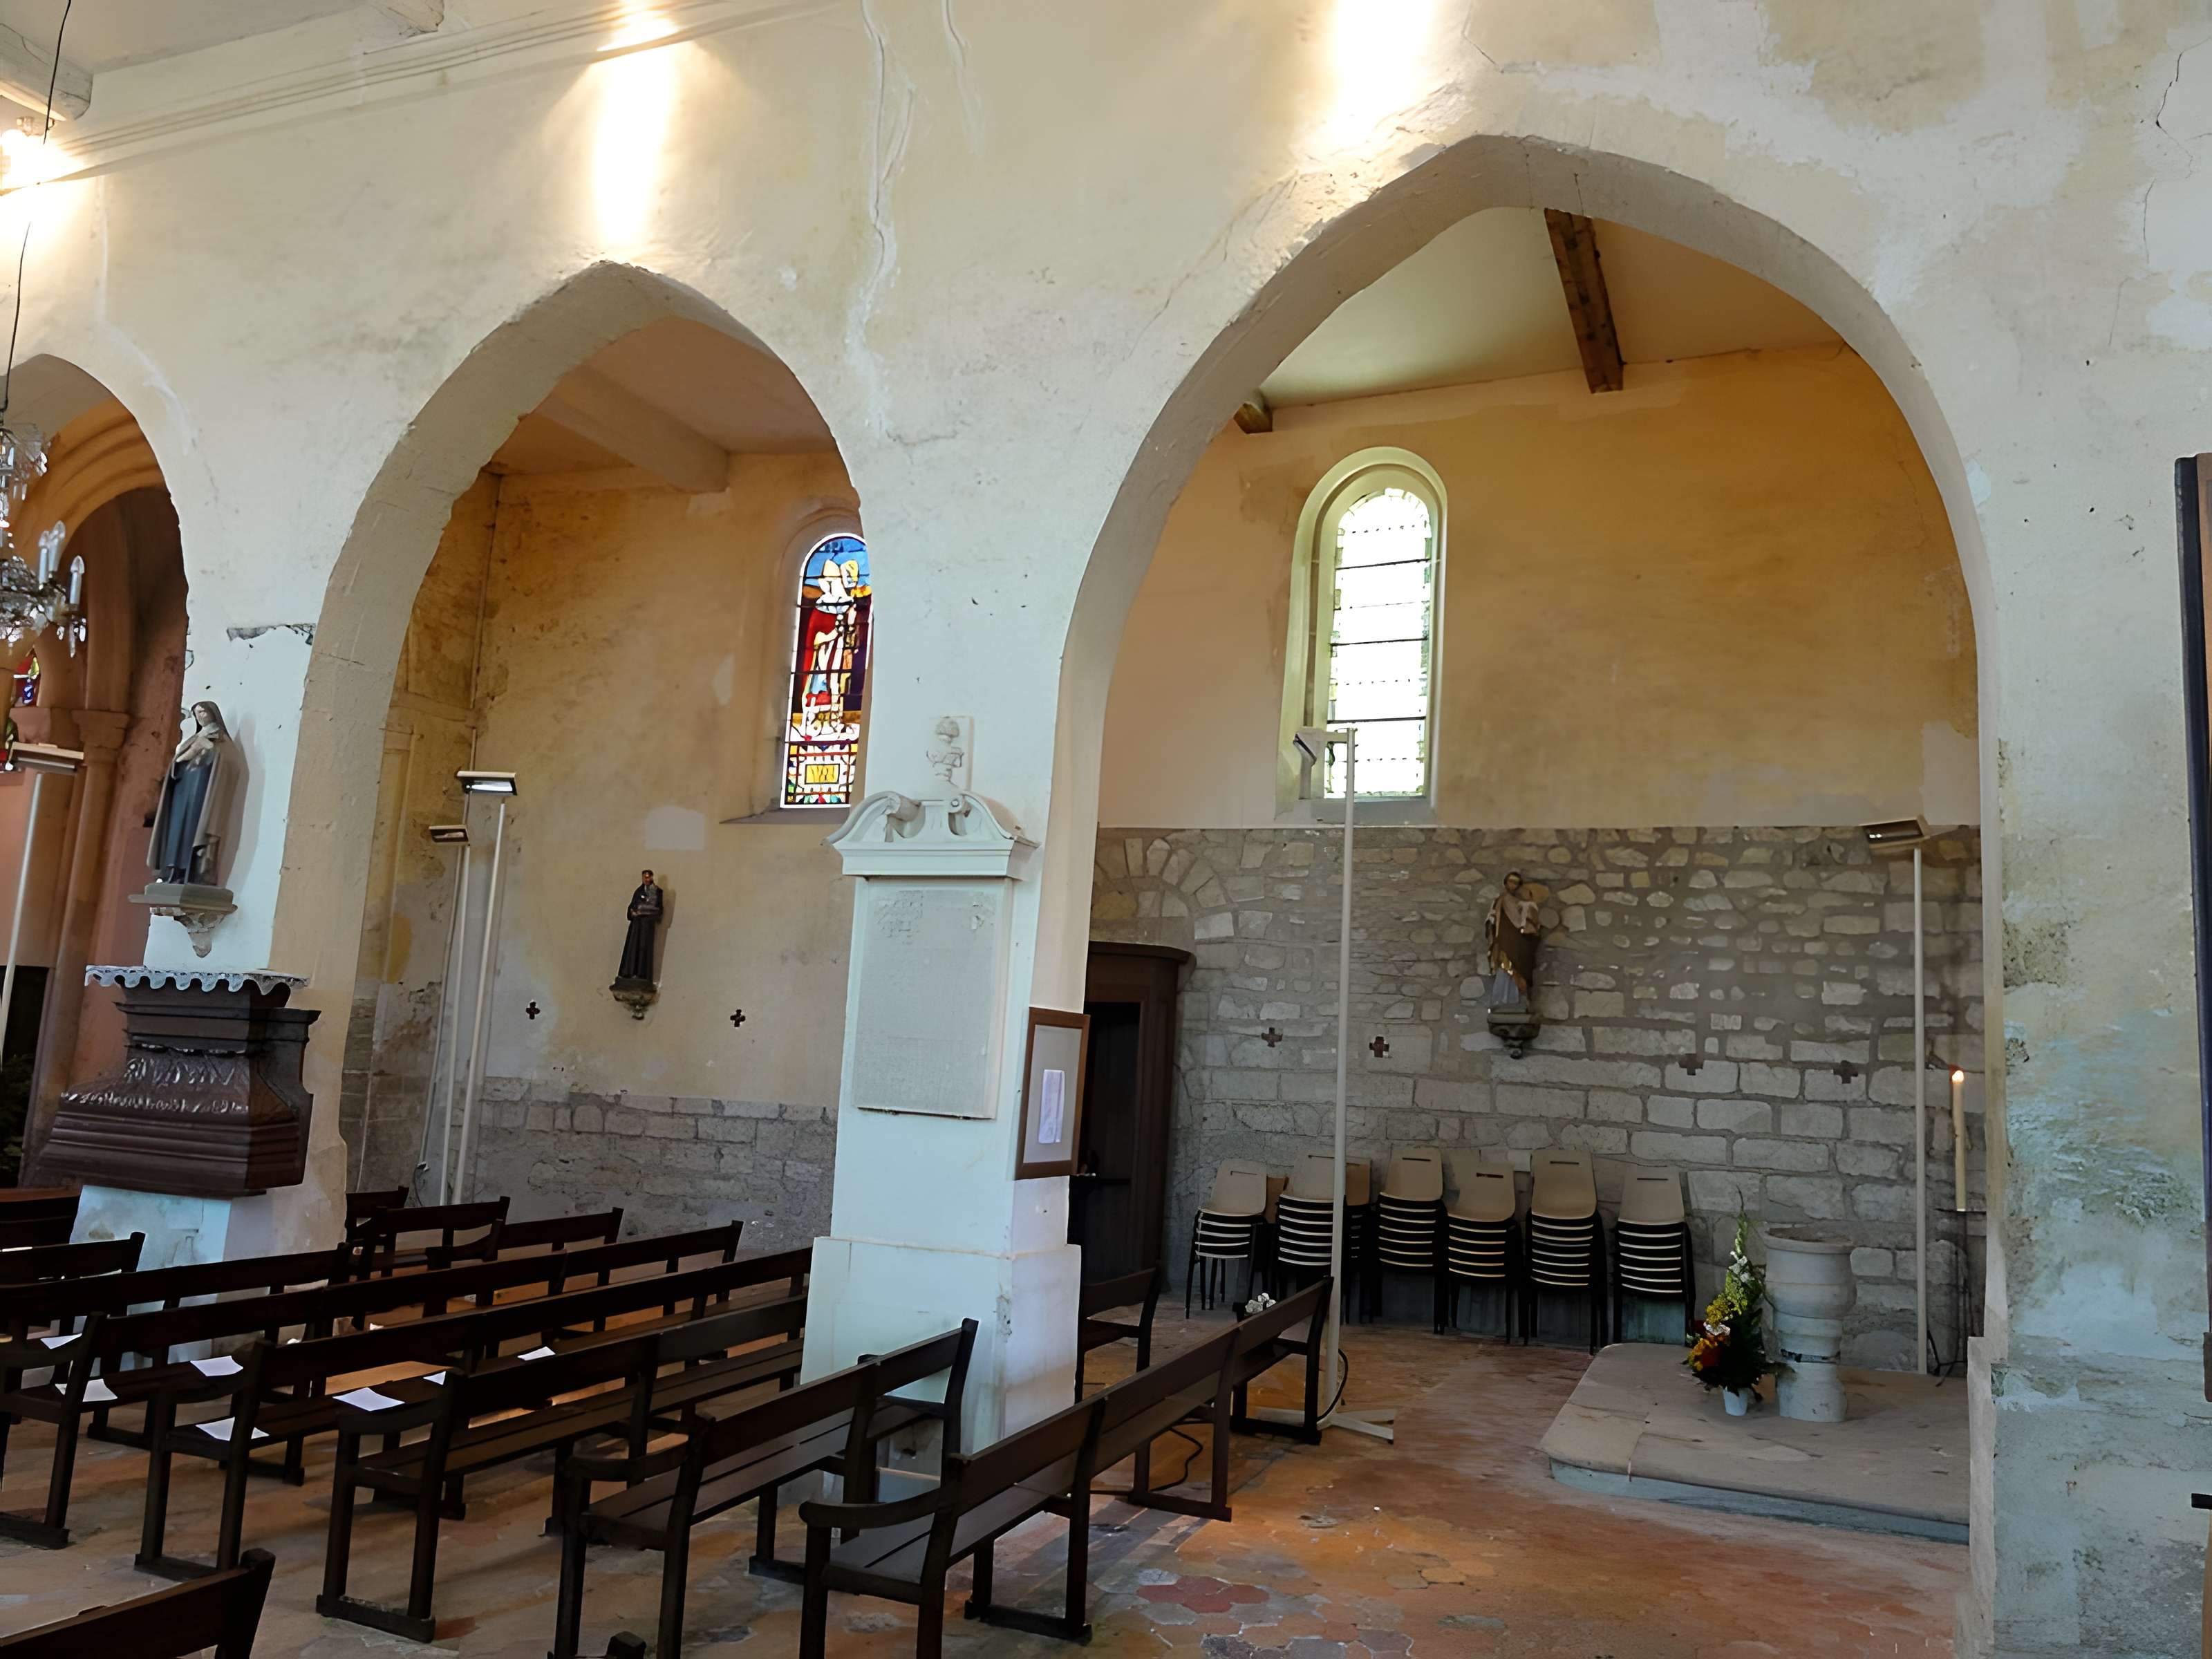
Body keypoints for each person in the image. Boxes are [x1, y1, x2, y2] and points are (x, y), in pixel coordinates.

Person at [149, 701, 236, 887]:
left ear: (213, 714)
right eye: (197, 713)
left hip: (201, 791)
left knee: (193, 831)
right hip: (183, 790)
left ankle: (192, 873)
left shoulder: (219, 738)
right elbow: (178, 763)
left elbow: (225, 761)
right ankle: (172, 872)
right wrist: (182, 761)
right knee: (176, 832)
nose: (201, 716)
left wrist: (209, 750)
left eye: (204, 712)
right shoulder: (195, 738)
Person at [1483, 870, 1542, 1006]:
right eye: (1510, 881)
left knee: (1520, 968)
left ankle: (1517, 1001)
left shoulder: (1522, 903)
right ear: (1505, 883)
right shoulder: (1500, 900)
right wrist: (1491, 922)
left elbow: (1531, 922)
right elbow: (1493, 920)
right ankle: (1503, 1001)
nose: (1513, 885)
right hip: (1504, 939)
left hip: (1519, 942)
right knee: (1505, 966)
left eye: (1516, 882)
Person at [616, 869, 664, 986]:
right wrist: (633, 912)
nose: (647, 880)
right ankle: (630, 973)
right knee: (633, 949)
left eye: (648, 877)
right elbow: (632, 907)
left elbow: (658, 910)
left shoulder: (657, 892)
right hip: (636, 926)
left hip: (646, 926)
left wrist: (642, 910)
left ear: (652, 877)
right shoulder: (639, 891)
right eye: (644, 878)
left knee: (643, 949)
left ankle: (641, 975)